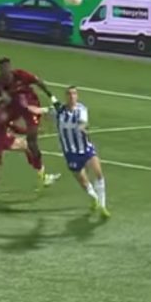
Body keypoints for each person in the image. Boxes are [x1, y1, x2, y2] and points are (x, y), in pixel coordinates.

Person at [0, 58, 60, 189]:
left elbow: (38, 82)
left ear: (10, 67)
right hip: (13, 107)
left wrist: (52, 97)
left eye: (6, 68)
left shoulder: (21, 75)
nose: (4, 71)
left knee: (31, 142)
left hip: (30, 105)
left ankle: (42, 173)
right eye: (2, 69)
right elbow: (0, 97)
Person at [54, 86, 109, 217]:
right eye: (69, 94)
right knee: (83, 182)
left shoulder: (81, 109)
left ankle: (103, 206)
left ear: (77, 96)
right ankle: (94, 197)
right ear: (65, 96)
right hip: (71, 153)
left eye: (74, 94)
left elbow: (83, 122)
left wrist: (82, 127)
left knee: (99, 174)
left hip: (85, 148)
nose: (72, 96)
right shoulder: (58, 111)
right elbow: (41, 112)